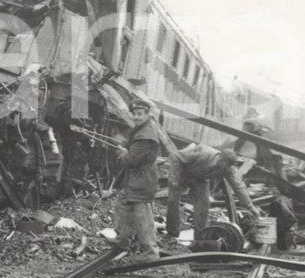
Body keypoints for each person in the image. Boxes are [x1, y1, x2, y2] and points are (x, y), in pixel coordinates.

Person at [102, 97, 161, 260]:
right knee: (123, 206)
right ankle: (122, 241)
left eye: (140, 114)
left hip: (141, 179)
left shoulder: (145, 135)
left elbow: (132, 160)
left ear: (148, 114)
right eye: (134, 114)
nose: (136, 117)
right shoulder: (142, 128)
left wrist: (123, 153)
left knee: (143, 217)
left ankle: (151, 253)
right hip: (134, 178)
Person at [166, 144, 263, 238]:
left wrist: (251, 206)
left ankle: (199, 238)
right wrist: (174, 179)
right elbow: (176, 156)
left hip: (200, 180)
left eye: (229, 166)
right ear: (220, 159)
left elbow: (238, 186)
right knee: (172, 201)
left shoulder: (227, 168)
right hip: (183, 174)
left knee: (203, 207)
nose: (227, 169)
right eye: (226, 165)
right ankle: (172, 232)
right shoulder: (202, 153)